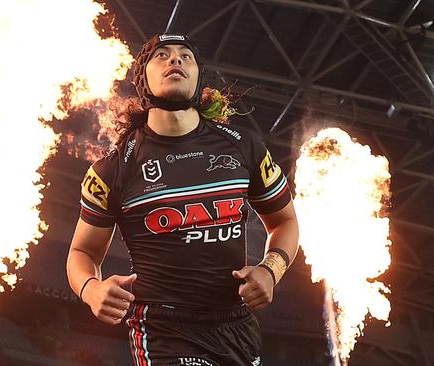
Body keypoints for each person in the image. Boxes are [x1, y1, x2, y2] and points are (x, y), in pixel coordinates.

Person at [67, 33, 299, 366]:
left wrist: (270, 269)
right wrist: (91, 290)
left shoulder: (243, 145)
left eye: (185, 56)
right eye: (161, 55)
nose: (175, 60)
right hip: (163, 328)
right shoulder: (114, 169)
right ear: (142, 80)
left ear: (197, 77)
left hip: (236, 325)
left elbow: (285, 221)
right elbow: (82, 251)